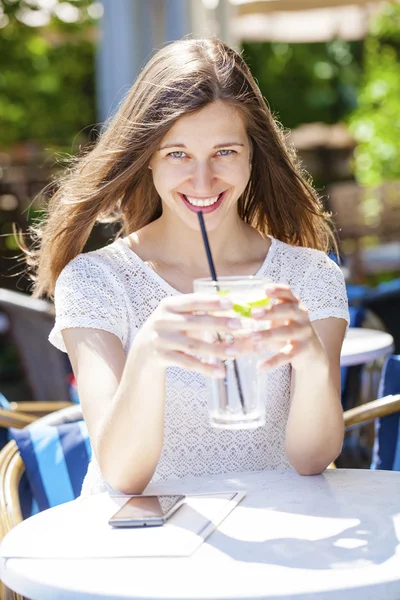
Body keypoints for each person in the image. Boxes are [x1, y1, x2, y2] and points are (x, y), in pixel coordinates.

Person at [26, 37, 349, 495]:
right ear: (148, 160)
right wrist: (148, 356)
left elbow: (313, 459)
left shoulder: (310, 277)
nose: (203, 180)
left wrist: (313, 363)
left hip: (278, 541)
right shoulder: (96, 281)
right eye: (177, 153)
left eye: (225, 152)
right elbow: (121, 473)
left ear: (253, 155)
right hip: (146, 546)